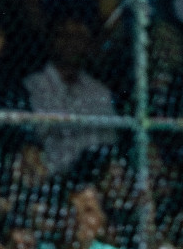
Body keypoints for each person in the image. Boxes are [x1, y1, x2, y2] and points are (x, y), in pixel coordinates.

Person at [22, 12, 117, 175]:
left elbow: (107, 140)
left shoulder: (99, 90)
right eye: (64, 36)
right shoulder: (33, 85)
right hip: (51, 174)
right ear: (51, 40)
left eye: (79, 37)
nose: (71, 43)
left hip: (93, 173)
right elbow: (37, 134)